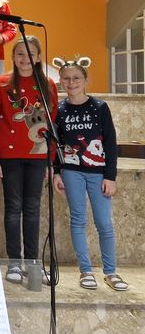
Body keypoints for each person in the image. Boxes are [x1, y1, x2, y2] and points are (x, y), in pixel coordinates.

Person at [0, 35, 57, 284]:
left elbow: (52, 124)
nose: (25, 59)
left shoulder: (48, 85)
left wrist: (50, 160)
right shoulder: (0, 84)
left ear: (38, 57)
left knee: (33, 209)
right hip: (9, 156)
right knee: (13, 208)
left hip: (37, 156)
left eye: (31, 54)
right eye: (20, 54)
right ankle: (14, 262)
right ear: (13, 57)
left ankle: (33, 262)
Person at [51, 56, 128, 292]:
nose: (71, 82)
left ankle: (110, 272)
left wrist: (110, 176)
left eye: (76, 78)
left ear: (86, 80)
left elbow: (110, 143)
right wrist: (56, 172)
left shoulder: (99, 107)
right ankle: (85, 270)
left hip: (98, 172)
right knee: (78, 219)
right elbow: (56, 144)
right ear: (61, 81)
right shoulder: (59, 109)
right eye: (66, 79)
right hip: (71, 171)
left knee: (104, 222)